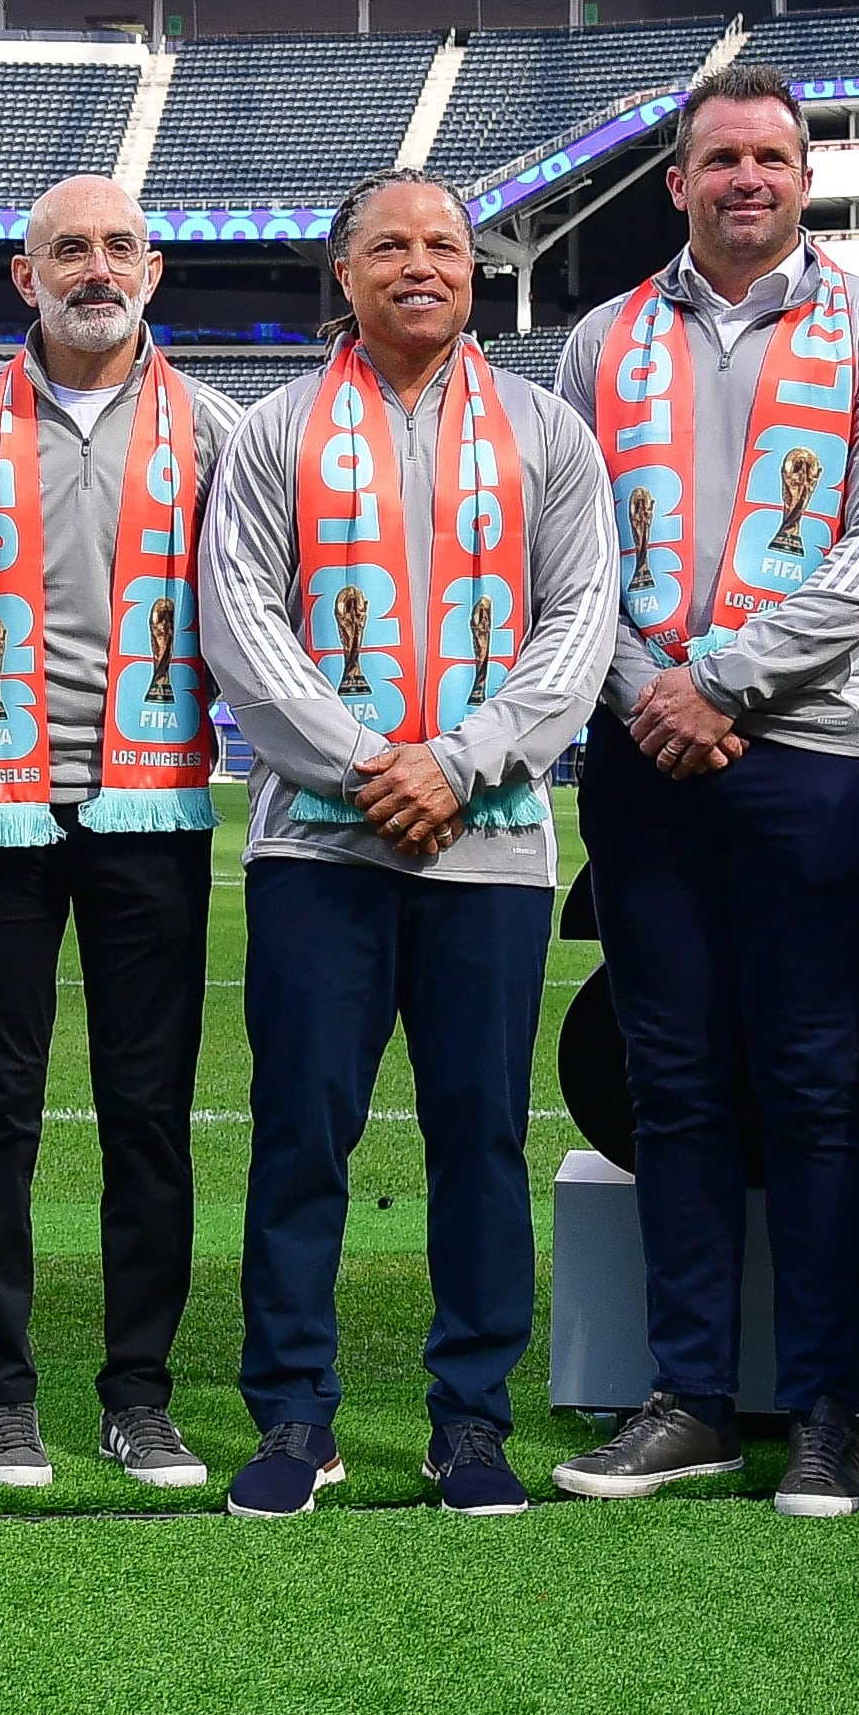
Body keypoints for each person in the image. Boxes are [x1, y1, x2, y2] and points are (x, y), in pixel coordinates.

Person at [547, 66, 859, 1519]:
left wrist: (716, 681)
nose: (746, 180)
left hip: (814, 761)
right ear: (676, 182)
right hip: (646, 760)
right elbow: (569, 554)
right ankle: (691, 1397)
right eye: (720, 158)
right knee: (676, 1089)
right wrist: (655, 693)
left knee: (813, 1092)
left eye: (771, 158)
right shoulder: (601, 340)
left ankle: (825, 1411)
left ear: (803, 177)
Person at [196, 168, 617, 1519]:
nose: (421, 262)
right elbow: (241, 624)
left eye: (444, 243)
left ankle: (469, 1419)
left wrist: (460, 762)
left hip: (489, 849)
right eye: (392, 244)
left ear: (474, 271)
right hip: (317, 848)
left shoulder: (548, 431)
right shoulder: (270, 434)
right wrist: (369, 767)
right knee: (299, 1137)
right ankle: (291, 1413)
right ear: (346, 271)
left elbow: (580, 623)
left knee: (477, 1142)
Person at [0, 176, 239, 1493]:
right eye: (66, 249)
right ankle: (0, 1397)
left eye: (116, 247)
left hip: (150, 803)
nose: (92, 268)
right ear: (22, 273)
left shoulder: (216, 431)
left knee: (145, 1114)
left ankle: (138, 1395)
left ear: (152, 272)